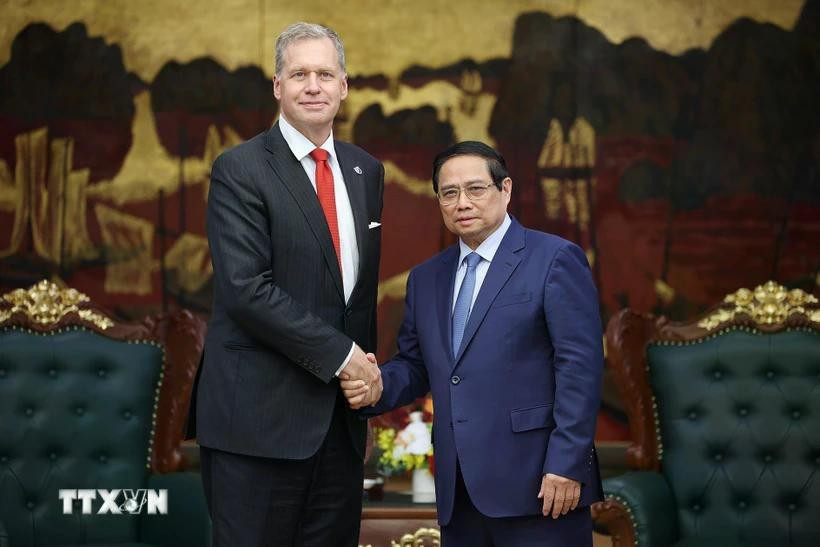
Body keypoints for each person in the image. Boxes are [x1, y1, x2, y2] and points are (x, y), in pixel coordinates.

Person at [343, 141, 604, 546]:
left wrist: (568, 464)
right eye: (449, 193)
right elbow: (415, 366)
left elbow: (580, 367)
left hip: (541, 485)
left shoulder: (554, 258)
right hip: (458, 492)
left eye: (475, 189)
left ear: (506, 190)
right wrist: (373, 385)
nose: (462, 202)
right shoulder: (427, 278)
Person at [189, 22, 384, 546]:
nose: (313, 85)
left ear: (344, 86)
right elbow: (246, 289)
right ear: (278, 86)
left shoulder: (367, 171)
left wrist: (364, 386)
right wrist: (348, 358)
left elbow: (356, 297)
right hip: (257, 427)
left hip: (339, 431)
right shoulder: (240, 169)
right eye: (299, 74)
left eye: (325, 73)